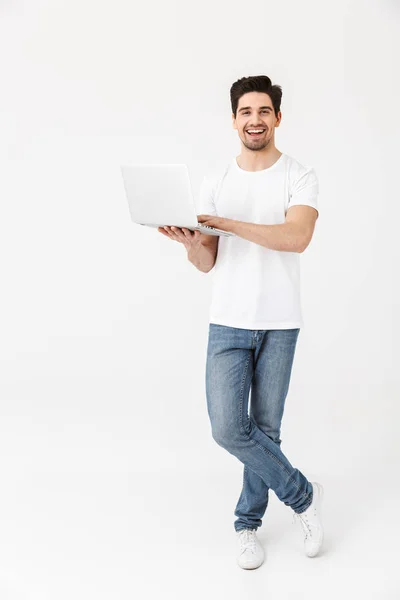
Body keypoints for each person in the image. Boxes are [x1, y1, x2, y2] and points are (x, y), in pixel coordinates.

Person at [158, 75, 324, 570]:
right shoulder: (217, 181)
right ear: (234, 120)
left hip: (280, 321)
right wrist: (191, 241)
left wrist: (225, 224)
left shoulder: (300, 175)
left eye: (263, 110)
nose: (255, 119)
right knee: (229, 427)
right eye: (245, 112)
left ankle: (248, 524)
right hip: (228, 321)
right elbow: (208, 262)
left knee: (265, 430)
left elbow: (296, 238)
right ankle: (303, 496)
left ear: (277, 117)